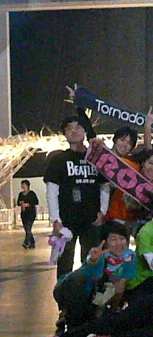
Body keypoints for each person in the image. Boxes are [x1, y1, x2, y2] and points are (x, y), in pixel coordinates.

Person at [45, 115, 110, 279]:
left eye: (78, 127)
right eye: (69, 128)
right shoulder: (58, 160)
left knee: (91, 261)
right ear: (64, 134)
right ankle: (63, 294)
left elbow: (104, 185)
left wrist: (102, 211)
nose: (74, 131)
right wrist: (55, 219)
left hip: (91, 219)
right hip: (67, 220)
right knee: (65, 262)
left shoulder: (95, 158)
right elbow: (52, 191)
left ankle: (89, 293)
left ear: (85, 131)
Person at [52, 222, 137, 333]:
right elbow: (89, 265)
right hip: (69, 290)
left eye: (122, 239)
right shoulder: (99, 255)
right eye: (113, 239)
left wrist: (113, 312)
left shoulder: (130, 256)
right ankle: (68, 315)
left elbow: (120, 288)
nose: (119, 243)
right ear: (105, 242)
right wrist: (92, 259)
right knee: (79, 280)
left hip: (98, 298)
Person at [16, 179, 39, 249]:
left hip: (31, 213)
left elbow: (36, 202)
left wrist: (28, 204)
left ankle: (26, 242)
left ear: (27, 185)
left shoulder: (32, 193)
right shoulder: (21, 194)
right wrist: (21, 203)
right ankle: (32, 243)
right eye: (22, 185)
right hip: (24, 213)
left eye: (24, 185)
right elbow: (18, 202)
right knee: (27, 229)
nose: (23, 186)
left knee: (28, 228)